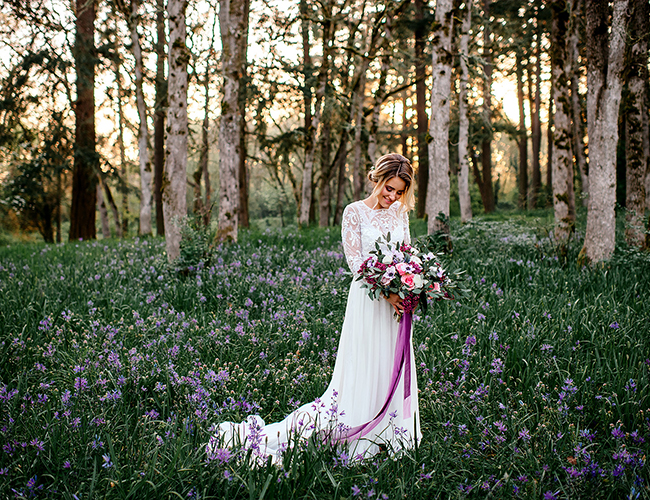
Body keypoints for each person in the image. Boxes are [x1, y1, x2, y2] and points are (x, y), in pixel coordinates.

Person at [208, 153, 421, 463]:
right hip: (369, 299)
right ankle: (360, 429)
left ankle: (393, 429)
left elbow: (406, 253)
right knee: (365, 363)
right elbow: (356, 263)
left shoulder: (400, 214)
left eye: (399, 191)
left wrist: (411, 283)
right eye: (388, 188)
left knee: (391, 362)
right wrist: (386, 292)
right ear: (376, 179)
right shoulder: (354, 212)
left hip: (398, 303)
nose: (392, 196)